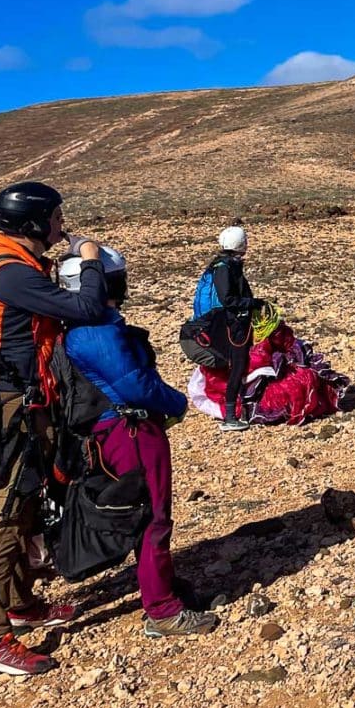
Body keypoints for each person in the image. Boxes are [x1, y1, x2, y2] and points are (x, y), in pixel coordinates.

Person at [0, 182, 108, 677]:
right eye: (55, 218)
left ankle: (21, 605)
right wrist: (89, 259)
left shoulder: (16, 268)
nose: (61, 226)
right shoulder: (9, 275)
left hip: (27, 405)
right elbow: (88, 308)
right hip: (14, 409)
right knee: (4, 517)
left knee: (25, 509)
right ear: (32, 223)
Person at [58, 249, 219, 638]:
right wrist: (176, 402)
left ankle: (159, 586)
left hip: (113, 431)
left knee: (143, 510)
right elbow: (134, 384)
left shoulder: (82, 327)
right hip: (130, 431)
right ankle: (162, 609)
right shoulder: (97, 332)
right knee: (152, 515)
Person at [191, 227, 258, 432]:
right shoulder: (225, 268)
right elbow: (228, 299)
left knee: (237, 366)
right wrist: (253, 303)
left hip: (232, 324)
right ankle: (230, 416)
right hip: (233, 326)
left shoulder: (225, 265)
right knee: (237, 367)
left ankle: (238, 409)